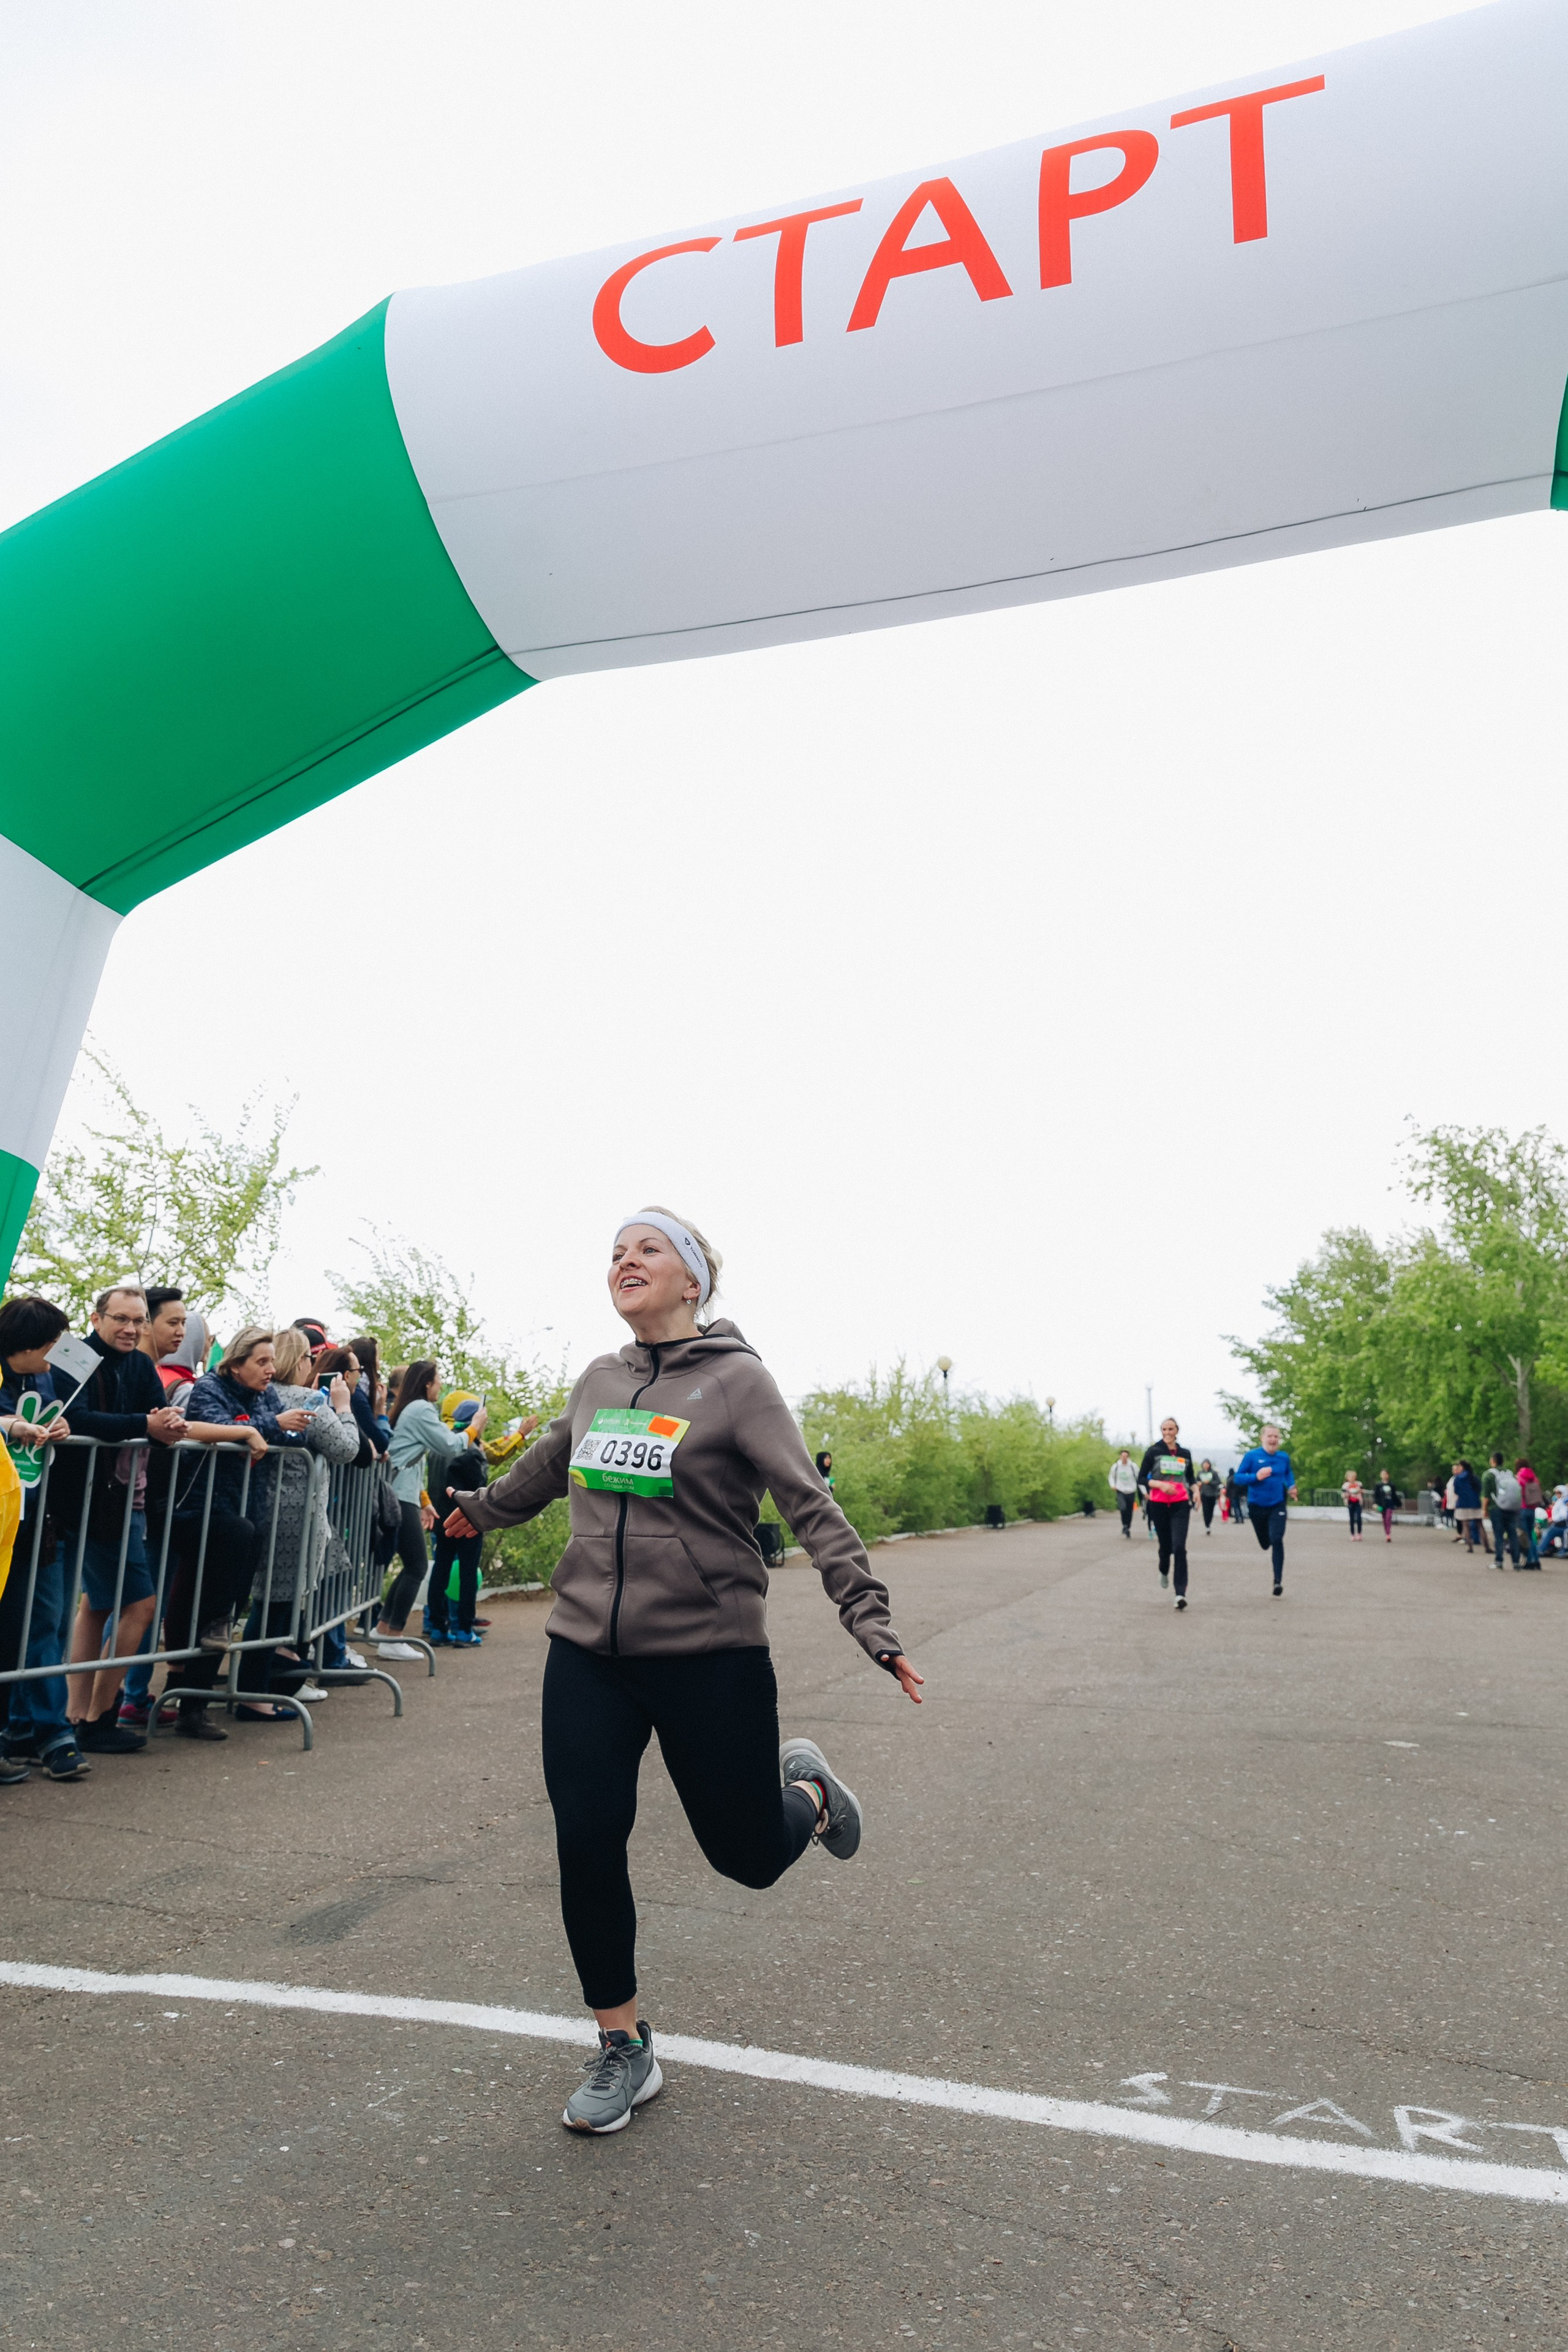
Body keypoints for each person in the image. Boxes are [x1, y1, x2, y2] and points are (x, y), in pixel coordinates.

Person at [443, 1208, 924, 2135]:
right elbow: (547, 1465)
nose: (625, 1261)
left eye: (647, 1249)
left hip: (709, 1652)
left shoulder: (739, 1383)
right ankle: (623, 2046)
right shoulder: (598, 1379)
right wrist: (480, 1510)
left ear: (693, 1279)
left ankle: (811, 1798)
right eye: (615, 1252)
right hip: (588, 1648)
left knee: (745, 1858)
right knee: (587, 1835)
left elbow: (809, 1504)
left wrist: (869, 1616)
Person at [58, 1286, 189, 1751]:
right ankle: (96, 1715)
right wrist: (145, 1426)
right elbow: (74, 1419)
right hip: (88, 1501)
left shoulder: (139, 1364)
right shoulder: (72, 1356)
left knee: (96, 1603)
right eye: (121, 1319)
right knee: (140, 1605)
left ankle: (81, 1714)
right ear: (96, 1319)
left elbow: (157, 1418)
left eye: (138, 1320)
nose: (131, 1328)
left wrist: (166, 1426)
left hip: (125, 1500)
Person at [180, 1330, 312, 1721]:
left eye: (273, 1361)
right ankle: (184, 1701)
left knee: (223, 1616)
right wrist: (261, 1427)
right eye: (261, 1362)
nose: (271, 1370)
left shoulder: (264, 1394)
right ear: (236, 1363)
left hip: (246, 1507)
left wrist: (261, 1426)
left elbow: (262, 1427)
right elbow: (218, 1426)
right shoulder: (208, 1388)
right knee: (206, 1609)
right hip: (203, 1508)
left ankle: (195, 1707)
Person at [0, 1294, 91, 1781]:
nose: (59, 1349)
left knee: (37, 1626)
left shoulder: (44, 1376)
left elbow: (58, 1414)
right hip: (4, 1523)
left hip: (34, 1522)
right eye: (52, 1341)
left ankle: (36, 1733)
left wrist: (61, 1427)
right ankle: (47, 1734)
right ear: (26, 1343)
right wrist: (12, 1425)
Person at [383, 1360, 486, 1660]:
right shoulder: (421, 1410)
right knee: (418, 1566)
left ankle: (391, 1628)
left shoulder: (409, 1410)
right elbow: (451, 1446)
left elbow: (418, 1460)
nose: (440, 1386)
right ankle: (395, 1635)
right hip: (409, 1498)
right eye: (438, 1380)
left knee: (426, 1567)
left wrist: (426, 1502)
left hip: (415, 1499)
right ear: (427, 1384)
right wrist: (475, 1428)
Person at [1137, 1419, 1197, 1606]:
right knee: (1166, 1547)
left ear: (1177, 1430)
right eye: (1164, 1429)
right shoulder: (1154, 1451)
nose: (1167, 1432)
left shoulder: (1185, 1453)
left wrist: (1196, 1492)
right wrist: (1161, 1485)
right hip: (1159, 1503)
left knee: (1179, 1547)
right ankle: (1163, 1569)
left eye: (1171, 1429)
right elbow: (1141, 1478)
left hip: (1180, 1504)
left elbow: (1190, 1478)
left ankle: (1180, 1594)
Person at [1235, 1425, 1297, 1596]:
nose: (1273, 1440)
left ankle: (1277, 1581)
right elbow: (1238, 1478)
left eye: (1276, 1437)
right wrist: (1256, 1476)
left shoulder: (1283, 1457)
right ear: (1262, 1438)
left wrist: (1292, 1486)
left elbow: (1288, 1474)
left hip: (1277, 1504)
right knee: (1265, 1543)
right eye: (1270, 1436)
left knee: (1277, 1539)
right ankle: (1266, 1541)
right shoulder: (1252, 1456)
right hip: (1256, 1506)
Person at [1482, 1452, 1524, 1569]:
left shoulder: (1489, 1475)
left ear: (1493, 1461)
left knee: (1498, 1535)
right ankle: (1516, 1562)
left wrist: (1484, 1510)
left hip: (1497, 1508)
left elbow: (1486, 1496)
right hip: (1512, 1508)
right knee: (1513, 1535)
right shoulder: (1510, 1473)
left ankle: (1499, 1561)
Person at [1450, 1460, 1485, 1553]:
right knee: (1480, 1525)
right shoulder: (1474, 1477)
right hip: (1475, 1504)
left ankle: (1470, 1547)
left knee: (1466, 1526)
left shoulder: (1458, 1479)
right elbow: (1480, 1489)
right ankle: (1487, 1547)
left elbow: (1456, 1491)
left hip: (1462, 1504)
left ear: (1463, 1467)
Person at [1515, 1458, 1545, 1567]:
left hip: (1522, 1508)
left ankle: (1530, 1560)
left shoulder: (1519, 1477)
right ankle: (1536, 1560)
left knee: (1525, 1536)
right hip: (1533, 1509)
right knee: (1531, 1535)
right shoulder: (1534, 1477)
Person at [1107, 1448, 1138, 1537]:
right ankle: (1124, 1525)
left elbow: (1138, 1477)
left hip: (1131, 1490)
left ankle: (1128, 1527)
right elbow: (1111, 1477)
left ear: (1128, 1457)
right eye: (1123, 1456)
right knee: (1123, 1508)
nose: (1124, 1458)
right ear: (1120, 1457)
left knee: (1129, 1510)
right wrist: (1113, 1485)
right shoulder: (1116, 1466)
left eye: (1126, 1456)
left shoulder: (1133, 1466)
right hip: (1120, 1490)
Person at [1371, 1470, 1401, 1543]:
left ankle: (1389, 1534)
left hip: (1390, 1503)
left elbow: (1394, 1495)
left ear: (1388, 1475)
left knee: (1388, 1518)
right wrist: (1375, 1503)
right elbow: (1376, 1496)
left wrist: (1398, 1504)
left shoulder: (1391, 1485)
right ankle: (1387, 1533)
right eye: (1383, 1474)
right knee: (1384, 1519)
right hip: (1382, 1504)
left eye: (1386, 1474)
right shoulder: (1378, 1486)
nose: (1384, 1476)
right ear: (1381, 1476)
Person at [1196, 1458, 1221, 1534]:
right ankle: (1207, 1525)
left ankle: (1209, 1522)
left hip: (1213, 1494)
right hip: (1204, 1493)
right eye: (1204, 1464)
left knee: (1211, 1510)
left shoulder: (1214, 1473)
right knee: (1205, 1510)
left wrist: (1210, 1482)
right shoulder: (1200, 1473)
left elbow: (1218, 1482)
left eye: (1207, 1464)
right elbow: (1196, 1481)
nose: (1206, 1465)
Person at [1341, 1469, 1365, 1541]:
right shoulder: (1345, 1486)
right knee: (1352, 1518)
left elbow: (1363, 1491)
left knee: (1359, 1518)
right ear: (1347, 1478)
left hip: (1358, 1502)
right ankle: (1352, 1534)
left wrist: (1359, 1491)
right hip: (1350, 1502)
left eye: (1354, 1477)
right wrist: (1348, 1494)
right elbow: (1343, 1495)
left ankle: (1359, 1533)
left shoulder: (1359, 1484)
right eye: (1351, 1477)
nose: (1352, 1478)